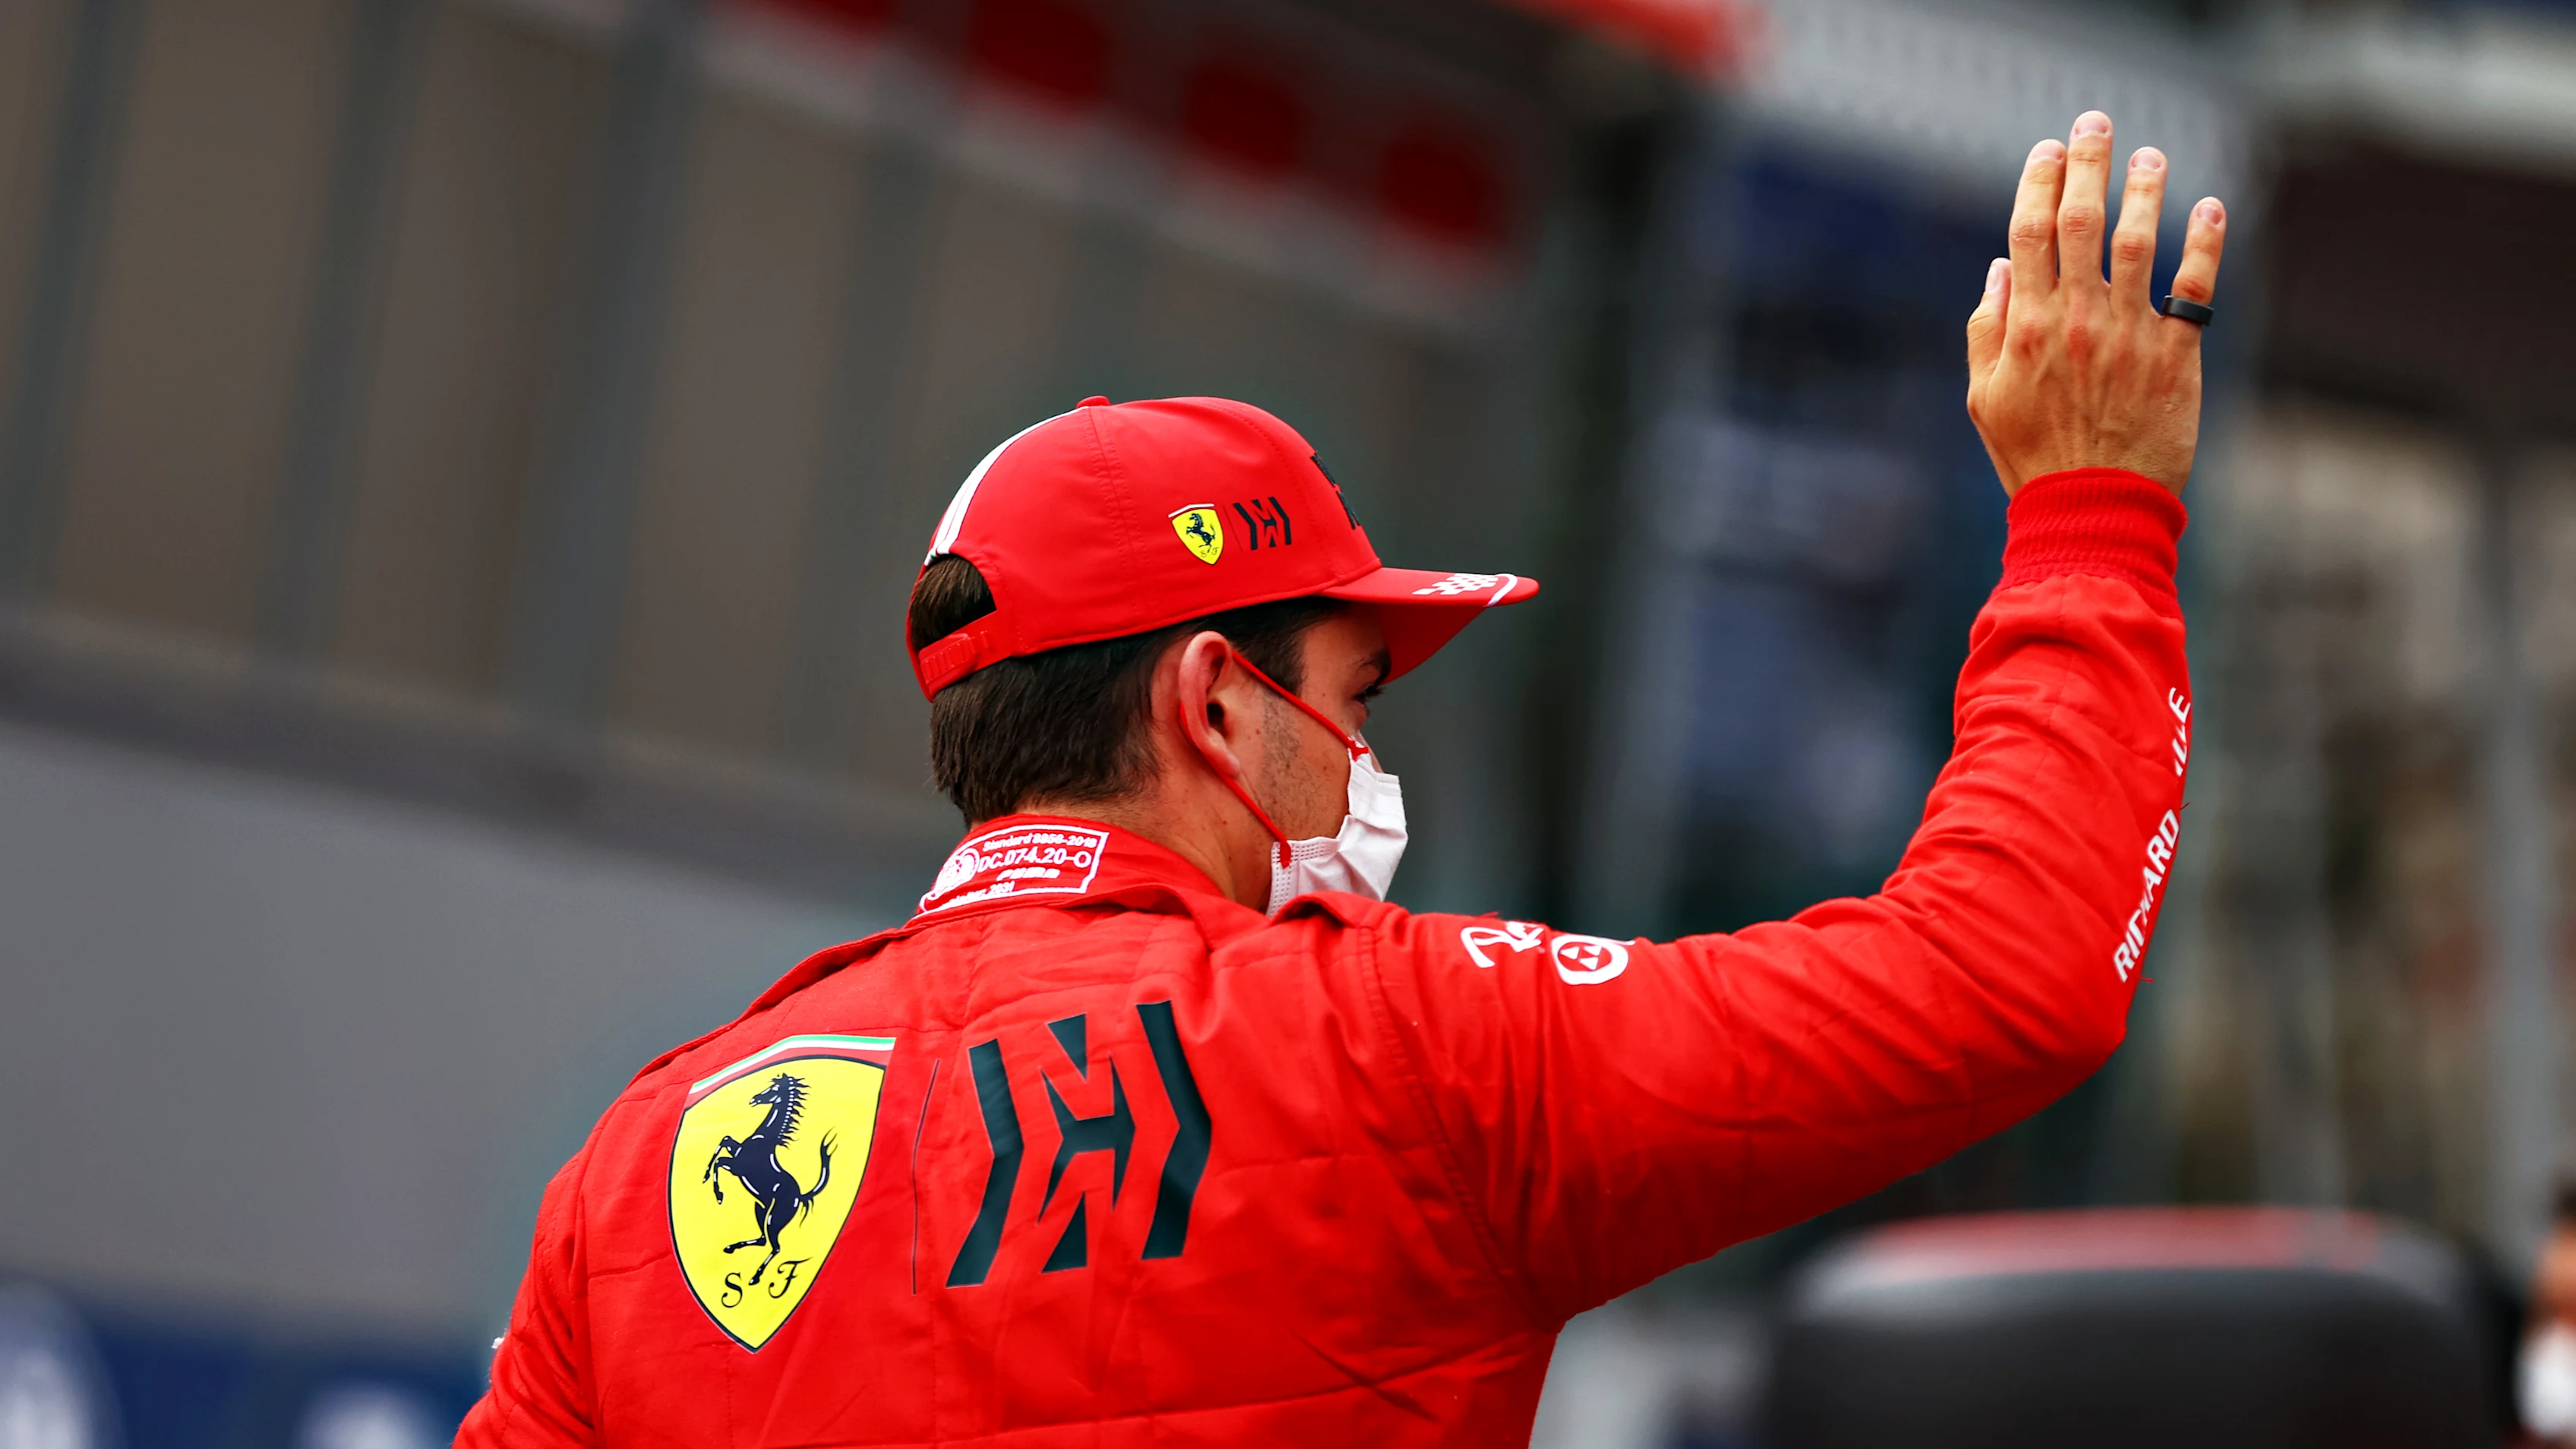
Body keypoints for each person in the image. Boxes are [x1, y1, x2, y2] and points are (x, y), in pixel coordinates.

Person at [458, 109, 2222, 1446]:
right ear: (1216, 703)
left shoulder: (633, 1176)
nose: (1367, 755)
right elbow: (2006, 981)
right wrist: (2093, 514)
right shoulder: (1406, 1056)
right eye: (1353, 690)